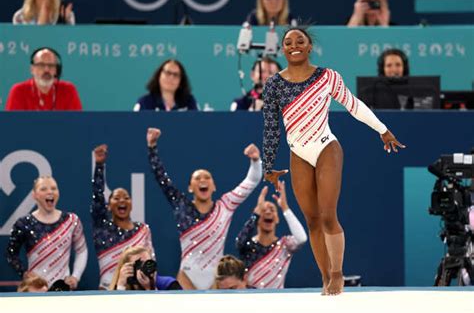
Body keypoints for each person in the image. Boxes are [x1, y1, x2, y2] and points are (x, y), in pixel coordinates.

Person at [262, 27, 405, 295]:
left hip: (326, 147)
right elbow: (271, 127)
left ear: (309, 47)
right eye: (288, 42)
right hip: (298, 154)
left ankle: (338, 273)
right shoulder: (273, 84)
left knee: (328, 216)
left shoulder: (327, 77)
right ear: (282, 49)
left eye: (300, 41)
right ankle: (326, 277)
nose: (294, 45)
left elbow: (354, 105)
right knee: (312, 220)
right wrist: (268, 164)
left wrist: (382, 129)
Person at [146, 128, 262, 290]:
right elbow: (161, 178)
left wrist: (256, 161)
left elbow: (252, 181)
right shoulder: (181, 205)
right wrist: (152, 148)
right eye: (197, 178)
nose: (203, 180)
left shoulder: (225, 206)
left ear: (214, 186)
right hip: (186, 277)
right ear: (190, 187)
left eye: (207, 177)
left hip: (215, 279)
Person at [6, 176, 88, 289]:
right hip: (35, 289)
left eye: (54, 188)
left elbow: (82, 250)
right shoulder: (24, 223)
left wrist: (75, 277)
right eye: (43, 189)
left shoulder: (71, 220)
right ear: (34, 195)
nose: (50, 192)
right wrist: (24, 273)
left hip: (62, 288)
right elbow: (11, 253)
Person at [92, 144, 155, 290]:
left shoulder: (143, 229)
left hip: (138, 289)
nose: (122, 201)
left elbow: (152, 261)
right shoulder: (102, 228)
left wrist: (150, 285)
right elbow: (97, 198)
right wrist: (99, 166)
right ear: (108, 206)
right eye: (116, 198)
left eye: (126, 197)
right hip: (107, 290)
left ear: (132, 204)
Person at [236, 182, 307, 289]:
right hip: (251, 300)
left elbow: (301, 239)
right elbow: (239, 242)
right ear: (258, 218)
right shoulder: (247, 246)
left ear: (277, 219)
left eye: (272, 210)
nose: (268, 212)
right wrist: (255, 215)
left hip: (276, 301)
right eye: (263, 211)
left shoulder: (284, 245)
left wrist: (285, 207)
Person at [5, 47, 82, 111]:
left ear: (56, 70)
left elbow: (77, 124)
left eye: (51, 65)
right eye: (41, 65)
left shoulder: (68, 90)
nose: (46, 70)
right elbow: (12, 126)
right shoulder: (19, 91)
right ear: (32, 69)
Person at [133, 59, 198, 111]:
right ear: (159, 75)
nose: (171, 77)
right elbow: (135, 125)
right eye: (168, 73)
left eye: (176, 75)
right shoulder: (145, 102)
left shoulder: (189, 102)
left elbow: (197, 125)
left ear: (181, 80)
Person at [109, 246, 182, 291]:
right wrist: (121, 285)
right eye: (139, 264)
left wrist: (150, 289)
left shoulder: (168, 284)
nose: (145, 268)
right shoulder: (124, 287)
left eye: (148, 263)